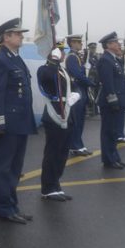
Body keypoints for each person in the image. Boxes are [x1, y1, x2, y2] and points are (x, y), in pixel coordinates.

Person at [0, 18, 35, 224]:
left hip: (21, 120)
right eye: (18, 33)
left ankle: (12, 205)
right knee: (3, 167)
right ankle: (4, 208)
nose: (22, 36)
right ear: (7, 37)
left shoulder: (15, 58)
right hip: (7, 123)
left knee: (15, 168)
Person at [37, 48, 79, 201]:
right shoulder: (45, 69)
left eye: (62, 51)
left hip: (68, 114)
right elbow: (47, 78)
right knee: (53, 152)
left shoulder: (62, 70)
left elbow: (72, 86)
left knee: (62, 153)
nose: (62, 54)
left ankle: (55, 184)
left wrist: (76, 94)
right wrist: (53, 62)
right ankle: (48, 188)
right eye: (59, 52)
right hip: (54, 115)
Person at [96, 32, 125, 168]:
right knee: (109, 132)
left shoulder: (114, 59)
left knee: (114, 132)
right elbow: (108, 82)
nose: (118, 44)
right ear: (108, 45)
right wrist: (113, 100)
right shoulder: (105, 60)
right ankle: (109, 159)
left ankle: (115, 157)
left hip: (119, 101)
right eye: (115, 42)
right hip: (111, 102)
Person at [65, 34, 93, 157]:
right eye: (78, 42)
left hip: (80, 89)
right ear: (71, 43)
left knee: (80, 120)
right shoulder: (72, 57)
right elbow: (77, 74)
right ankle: (75, 146)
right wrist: (90, 82)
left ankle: (79, 144)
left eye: (80, 42)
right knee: (76, 120)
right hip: (76, 90)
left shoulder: (77, 57)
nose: (81, 44)